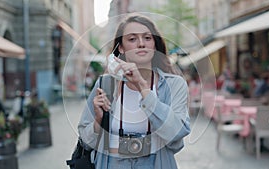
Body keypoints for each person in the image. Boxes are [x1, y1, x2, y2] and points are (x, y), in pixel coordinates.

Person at [78, 13, 190, 169]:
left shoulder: (174, 85)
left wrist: (142, 87)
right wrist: (98, 121)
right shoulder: (105, 84)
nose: (141, 44)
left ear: (155, 44)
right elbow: (85, 141)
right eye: (132, 39)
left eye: (147, 38)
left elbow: (177, 133)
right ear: (121, 48)